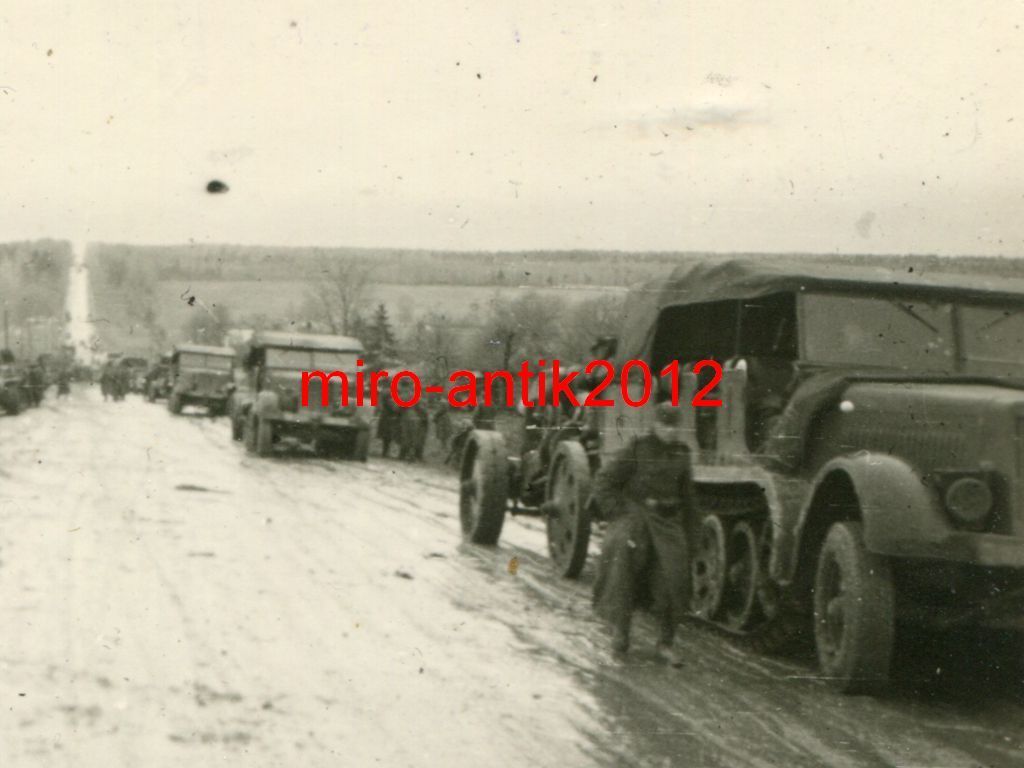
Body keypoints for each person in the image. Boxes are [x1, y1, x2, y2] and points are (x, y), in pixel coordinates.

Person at [591, 402, 698, 666]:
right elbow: (604, 480)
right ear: (656, 425)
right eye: (666, 425)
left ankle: (665, 643)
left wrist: (691, 535)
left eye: (675, 426)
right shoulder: (638, 448)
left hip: (667, 522)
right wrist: (619, 512)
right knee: (623, 571)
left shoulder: (682, 454)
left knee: (674, 580)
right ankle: (621, 633)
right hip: (636, 518)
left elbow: (688, 498)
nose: (671, 431)